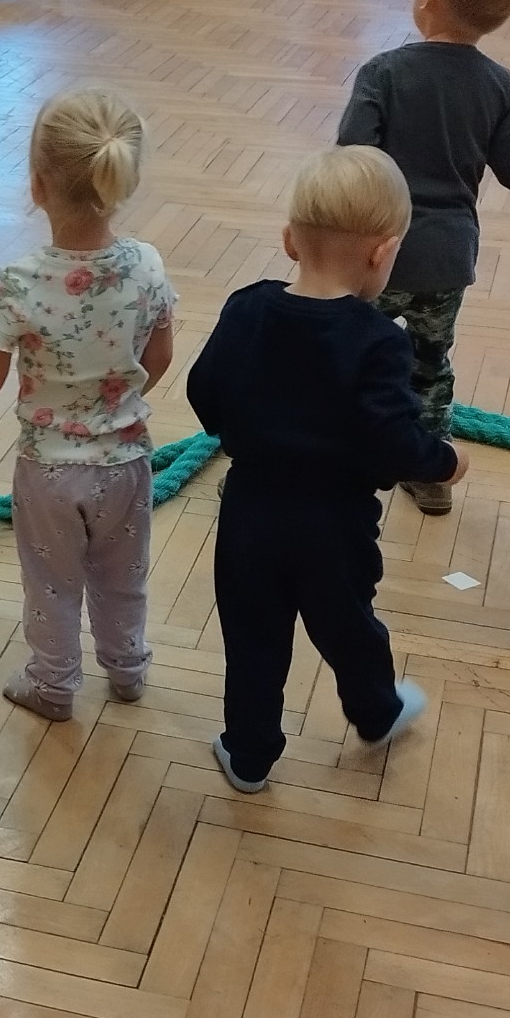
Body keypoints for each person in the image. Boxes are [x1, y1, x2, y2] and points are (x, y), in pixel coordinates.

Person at [187, 147, 463, 792]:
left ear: (290, 240)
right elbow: (394, 441)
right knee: (348, 624)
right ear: (382, 252)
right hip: (335, 527)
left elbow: (205, 390)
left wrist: (244, 429)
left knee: (253, 639)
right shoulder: (378, 342)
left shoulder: (246, 308)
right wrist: (446, 461)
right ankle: (376, 710)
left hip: (249, 513)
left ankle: (248, 755)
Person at [0, 89, 175, 721]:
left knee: (51, 583)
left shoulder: (20, 281)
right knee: (123, 574)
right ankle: (127, 670)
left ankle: (52, 684)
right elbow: (160, 357)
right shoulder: (147, 267)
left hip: (48, 472)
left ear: (37, 185)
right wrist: (121, 398)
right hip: (126, 465)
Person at [335, 0, 510, 517]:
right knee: (429, 366)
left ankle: (313, 455)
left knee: (343, 352)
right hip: (449, 261)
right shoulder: (500, 86)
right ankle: (429, 473)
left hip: (377, 257)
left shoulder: (383, 73)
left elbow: (351, 158)